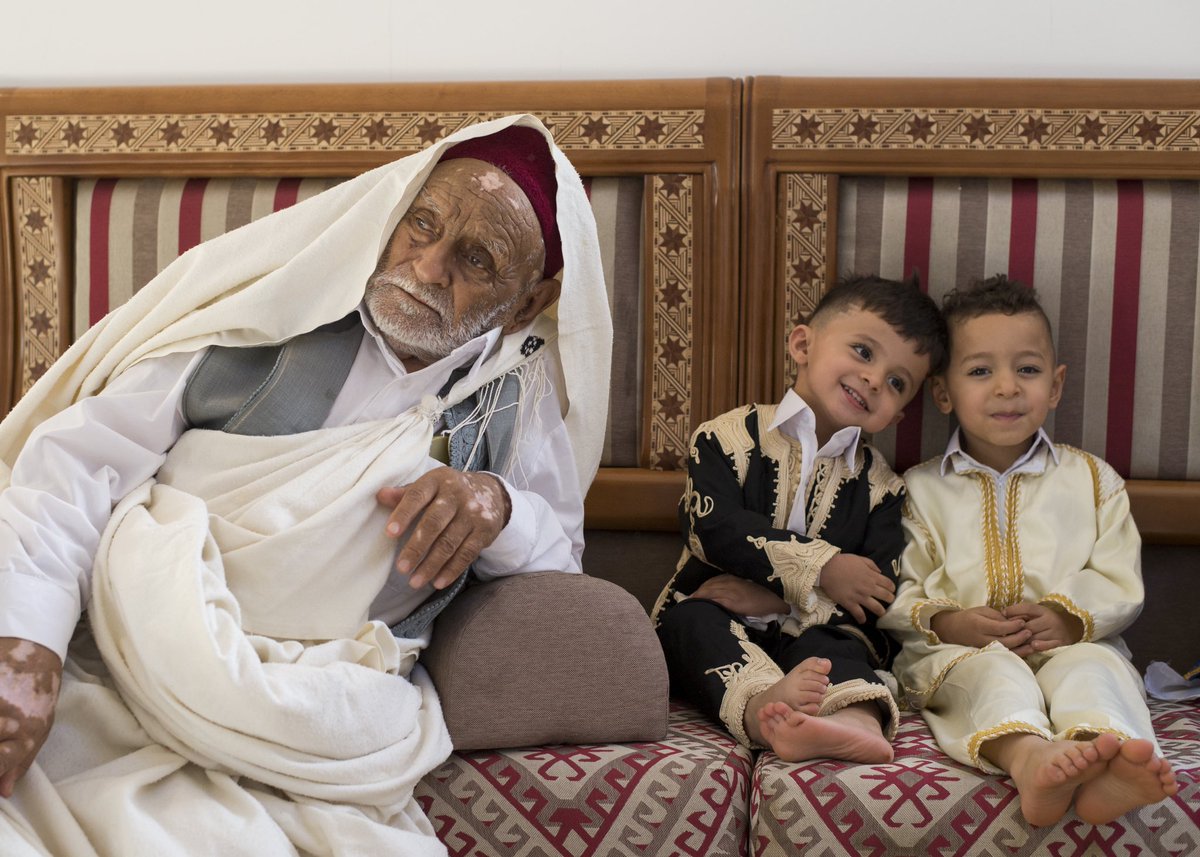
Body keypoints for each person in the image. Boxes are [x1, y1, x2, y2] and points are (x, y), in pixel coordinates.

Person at [0, 116, 611, 854]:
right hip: (129, 663)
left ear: (526, 302)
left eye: (475, 259)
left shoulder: (523, 403)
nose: (426, 266)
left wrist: (500, 506)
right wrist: (27, 647)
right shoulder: (266, 312)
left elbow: (561, 578)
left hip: (320, 721)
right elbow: (76, 465)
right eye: (423, 224)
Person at [879, 274, 1178, 827]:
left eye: (1028, 369)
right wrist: (950, 621)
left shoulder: (1091, 480)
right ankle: (1030, 758)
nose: (1007, 388)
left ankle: (1104, 758)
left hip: (1072, 644)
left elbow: (1118, 578)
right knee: (992, 678)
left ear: (1056, 385)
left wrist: (1068, 620)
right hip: (959, 652)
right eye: (980, 371)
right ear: (943, 391)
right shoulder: (916, 490)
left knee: (1095, 668)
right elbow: (899, 585)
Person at [652, 274, 947, 762]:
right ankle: (764, 711)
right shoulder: (726, 437)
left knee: (845, 644)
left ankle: (855, 721)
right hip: (716, 613)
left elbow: (876, 593)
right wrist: (824, 568)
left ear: (896, 416)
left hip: (814, 632)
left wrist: (782, 599)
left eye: (897, 382)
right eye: (863, 352)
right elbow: (711, 528)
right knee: (690, 624)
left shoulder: (883, 489)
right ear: (802, 344)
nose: (875, 379)